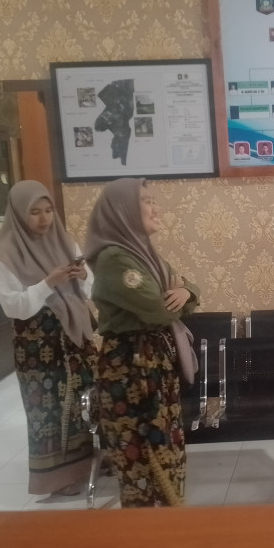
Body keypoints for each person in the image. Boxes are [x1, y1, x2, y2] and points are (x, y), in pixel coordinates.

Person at [84, 178, 200, 507]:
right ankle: (147, 531)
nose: (155, 208)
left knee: (166, 449)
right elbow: (158, 309)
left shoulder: (144, 255)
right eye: (146, 201)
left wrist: (186, 291)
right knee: (142, 456)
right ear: (123, 211)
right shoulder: (114, 259)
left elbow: (190, 290)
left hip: (154, 366)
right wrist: (178, 295)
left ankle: (168, 524)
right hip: (131, 371)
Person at [0, 181, 97, 498]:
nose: (44, 219)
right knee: (48, 412)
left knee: (83, 403)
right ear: (18, 214)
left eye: (48, 210)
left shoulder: (65, 242)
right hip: (38, 348)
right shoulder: (6, 256)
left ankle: (90, 464)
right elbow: (14, 306)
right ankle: (57, 479)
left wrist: (83, 276)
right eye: (34, 212)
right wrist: (47, 283)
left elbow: (91, 289)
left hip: (75, 339)